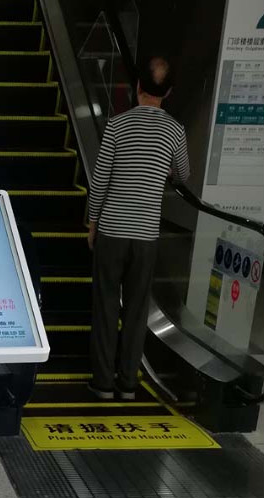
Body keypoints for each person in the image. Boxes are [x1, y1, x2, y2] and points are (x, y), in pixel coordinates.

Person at [87, 56, 190, 401]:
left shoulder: (117, 126)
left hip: (112, 231)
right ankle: (128, 384)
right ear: (169, 93)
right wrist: (164, 170)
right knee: (136, 310)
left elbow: (100, 180)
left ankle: (102, 383)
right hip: (146, 235)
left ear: (138, 87)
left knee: (105, 306)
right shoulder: (175, 130)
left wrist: (93, 223)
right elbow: (184, 174)